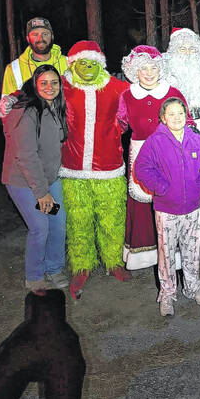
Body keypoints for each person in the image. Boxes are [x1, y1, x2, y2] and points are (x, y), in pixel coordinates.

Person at [59, 41, 131, 299]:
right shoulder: (63, 86)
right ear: (72, 65)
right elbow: (34, 92)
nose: (88, 68)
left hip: (109, 167)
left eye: (92, 63)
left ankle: (113, 261)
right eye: (82, 63)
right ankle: (82, 266)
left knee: (112, 218)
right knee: (78, 220)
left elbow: (146, 93)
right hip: (73, 168)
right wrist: (11, 101)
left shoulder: (115, 87)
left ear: (100, 64)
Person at [135, 97, 200, 317]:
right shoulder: (155, 141)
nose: (176, 118)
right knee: (167, 255)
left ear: (186, 115)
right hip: (166, 210)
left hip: (192, 208)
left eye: (180, 113)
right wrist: (161, 188)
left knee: (192, 251)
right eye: (171, 114)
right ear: (163, 118)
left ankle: (193, 287)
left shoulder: (196, 139)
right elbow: (142, 168)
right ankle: (167, 294)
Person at [117, 45, 191, 270]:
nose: (149, 73)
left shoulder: (173, 93)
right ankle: (145, 255)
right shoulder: (127, 95)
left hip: (169, 153)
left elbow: (187, 122)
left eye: (153, 68)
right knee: (141, 204)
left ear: (161, 69)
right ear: (134, 71)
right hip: (140, 152)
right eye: (143, 69)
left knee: (169, 203)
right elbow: (118, 126)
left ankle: (173, 255)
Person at [1, 65, 69, 294]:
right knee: (40, 227)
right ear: (34, 84)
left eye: (54, 82)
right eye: (44, 83)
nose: (50, 87)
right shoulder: (27, 112)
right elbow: (26, 156)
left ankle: (54, 267)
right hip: (23, 181)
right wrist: (41, 193)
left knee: (58, 223)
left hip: (49, 177)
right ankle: (34, 276)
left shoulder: (56, 107)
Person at [163, 27, 200, 250]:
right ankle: (176, 235)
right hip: (176, 134)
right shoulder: (165, 76)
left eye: (191, 49)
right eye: (182, 49)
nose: (187, 53)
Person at [1, 17, 68, 96]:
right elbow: (7, 102)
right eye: (35, 34)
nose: (40, 39)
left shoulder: (69, 63)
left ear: (52, 36)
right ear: (28, 38)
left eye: (45, 34)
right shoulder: (14, 69)